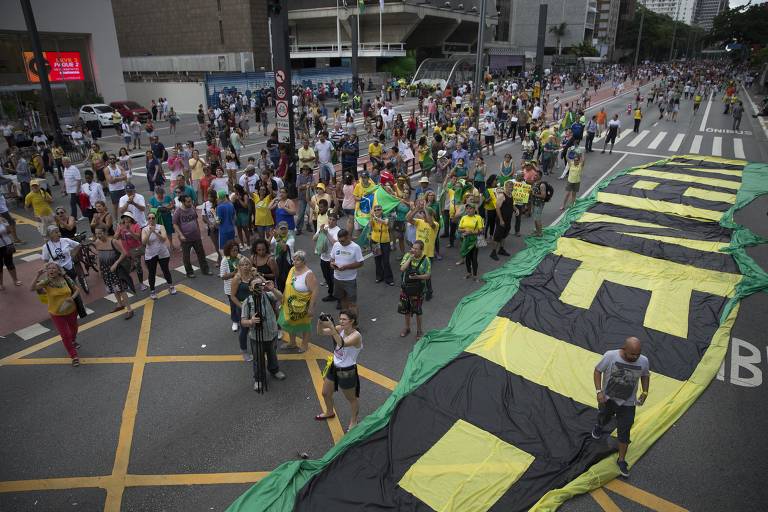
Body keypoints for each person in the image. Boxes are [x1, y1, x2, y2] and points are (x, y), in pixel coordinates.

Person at [591, 336, 650, 478]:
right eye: (632, 354)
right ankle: (600, 426)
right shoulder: (610, 356)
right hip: (608, 399)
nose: (635, 357)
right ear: (624, 349)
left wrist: (645, 391)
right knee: (604, 416)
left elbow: (645, 375)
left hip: (628, 404)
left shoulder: (644, 360)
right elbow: (597, 371)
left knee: (625, 430)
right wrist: (599, 391)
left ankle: (621, 459)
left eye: (638, 354)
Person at [315, 309, 363, 431]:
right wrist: (320, 323)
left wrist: (332, 327)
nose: (341, 321)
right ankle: (330, 412)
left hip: (347, 371)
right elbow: (320, 333)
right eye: (340, 318)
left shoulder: (356, 335)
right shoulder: (340, 329)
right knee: (325, 393)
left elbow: (342, 343)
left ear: (351, 321)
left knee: (351, 399)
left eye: (344, 319)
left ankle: (354, 421)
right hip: (334, 366)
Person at [30, 262, 84, 366]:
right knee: (65, 335)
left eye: (53, 268)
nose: (51, 270)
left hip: (71, 310)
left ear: (58, 270)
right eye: (49, 268)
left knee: (74, 329)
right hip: (56, 313)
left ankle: (73, 341)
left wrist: (71, 298)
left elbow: (77, 290)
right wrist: (37, 275)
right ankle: (74, 356)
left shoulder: (66, 279)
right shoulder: (46, 282)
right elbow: (31, 288)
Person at [241, 274, 287, 392]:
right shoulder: (248, 302)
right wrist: (251, 321)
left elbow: (282, 298)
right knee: (258, 360)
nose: (259, 287)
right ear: (251, 288)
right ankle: (259, 379)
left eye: (260, 284)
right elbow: (243, 321)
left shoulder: (268, 295)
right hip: (256, 337)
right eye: (255, 285)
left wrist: (272, 288)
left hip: (271, 333)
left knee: (272, 355)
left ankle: (274, 370)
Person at [278, 250, 319, 353]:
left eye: (298, 260)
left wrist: (311, 308)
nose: (295, 262)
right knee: (290, 322)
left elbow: (315, 291)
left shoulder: (308, 274)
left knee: (305, 325)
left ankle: (304, 345)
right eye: (294, 259)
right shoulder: (292, 270)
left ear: (304, 262)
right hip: (290, 304)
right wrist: (283, 297)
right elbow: (287, 286)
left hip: (303, 306)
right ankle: (292, 343)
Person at [93, 223, 134, 319]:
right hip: (105, 269)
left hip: (115, 269)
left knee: (121, 289)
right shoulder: (97, 243)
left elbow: (124, 253)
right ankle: (120, 304)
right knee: (113, 287)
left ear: (105, 232)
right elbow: (98, 256)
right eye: (96, 234)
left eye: (100, 233)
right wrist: (99, 268)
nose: (98, 236)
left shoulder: (113, 242)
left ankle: (129, 309)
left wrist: (116, 264)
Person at [173, 194, 213, 278]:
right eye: (188, 202)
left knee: (201, 254)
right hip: (185, 238)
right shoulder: (178, 212)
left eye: (190, 201)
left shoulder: (192, 208)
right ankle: (189, 272)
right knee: (186, 257)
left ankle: (205, 270)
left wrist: (198, 231)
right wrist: (181, 235)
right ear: (183, 202)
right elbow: (175, 224)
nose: (190, 203)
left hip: (196, 236)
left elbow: (195, 220)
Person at [398, 240, 431, 338]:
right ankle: (407, 328)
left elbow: (428, 275)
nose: (414, 250)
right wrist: (410, 259)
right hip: (405, 288)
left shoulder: (426, 260)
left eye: (416, 249)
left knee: (417, 311)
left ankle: (419, 331)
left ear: (422, 250)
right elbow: (402, 269)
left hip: (418, 290)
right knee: (406, 310)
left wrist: (417, 277)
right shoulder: (408, 256)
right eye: (413, 248)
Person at [141, 211, 176, 299]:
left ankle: (171, 286)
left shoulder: (161, 227)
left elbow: (164, 239)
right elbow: (144, 242)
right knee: (152, 273)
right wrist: (150, 232)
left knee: (165, 270)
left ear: (156, 219)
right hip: (150, 255)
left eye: (153, 218)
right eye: (149, 218)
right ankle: (152, 291)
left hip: (162, 253)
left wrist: (155, 232)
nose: (151, 220)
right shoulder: (144, 229)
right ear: (147, 220)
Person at [330, 229, 364, 316]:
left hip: (350, 280)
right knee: (342, 299)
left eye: (343, 241)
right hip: (337, 278)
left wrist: (346, 267)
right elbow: (332, 258)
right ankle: (346, 320)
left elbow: (360, 263)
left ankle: (355, 324)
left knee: (352, 303)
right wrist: (332, 264)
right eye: (339, 241)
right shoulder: (336, 245)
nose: (341, 243)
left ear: (348, 237)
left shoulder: (355, 247)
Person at [229, 257, 257, 360]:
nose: (245, 267)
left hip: (254, 305)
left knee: (255, 326)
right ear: (239, 267)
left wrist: (257, 274)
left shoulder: (253, 275)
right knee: (244, 329)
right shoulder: (237, 278)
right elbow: (232, 296)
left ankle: (256, 348)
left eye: (247, 264)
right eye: (243, 265)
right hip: (242, 306)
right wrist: (242, 307)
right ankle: (244, 350)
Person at [370, 204, 394, 286]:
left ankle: (389, 278)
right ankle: (379, 276)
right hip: (375, 241)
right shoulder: (373, 218)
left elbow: (386, 223)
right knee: (377, 260)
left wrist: (376, 218)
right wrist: (371, 217)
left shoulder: (385, 217)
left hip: (385, 242)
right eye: (375, 210)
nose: (377, 211)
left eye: (379, 209)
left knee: (386, 261)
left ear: (382, 210)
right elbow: (370, 226)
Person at [458, 203, 483, 281]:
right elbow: (459, 229)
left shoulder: (478, 218)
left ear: (474, 209)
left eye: (470, 208)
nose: (468, 210)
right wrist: (465, 230)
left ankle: (475, 275)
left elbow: (481, 231)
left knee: (474, 258)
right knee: (467, 258)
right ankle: (469, 273)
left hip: (474, 240)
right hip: (466, 240)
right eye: (467, 208)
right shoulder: (464, 218)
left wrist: (471, 232)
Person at [0, 215, 21, 290]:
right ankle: (1, 284)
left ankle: (15, 280)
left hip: (7, 244)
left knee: (9, 262)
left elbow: (9, 231)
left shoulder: (2, 219)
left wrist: (4, 223)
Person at [106, 154, 128, 220]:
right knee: (115, 207)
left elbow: (125, 177)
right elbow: (110, 181)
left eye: (113, 158)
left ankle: (126, 219)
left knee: (124, 205)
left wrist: (115, 178)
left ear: (115, 159)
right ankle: (116, 221)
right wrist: (120, 178)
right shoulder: (107, 169)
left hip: (121, 188)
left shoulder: (120, 167)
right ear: (108, 160)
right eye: (110, 159)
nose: (112, 160)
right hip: (113, 190)